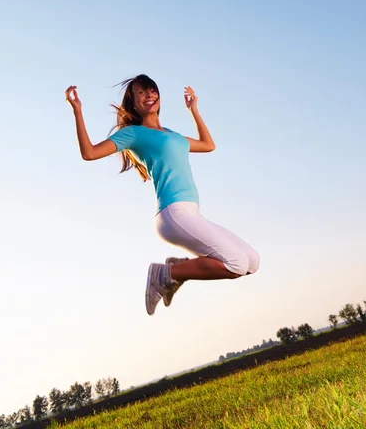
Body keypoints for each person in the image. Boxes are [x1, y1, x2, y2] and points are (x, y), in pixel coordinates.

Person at [65, 74, 260, 315]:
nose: (149, 95)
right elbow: (90, 153)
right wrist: (77, 111)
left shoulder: (173, 135)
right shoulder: (133, 134)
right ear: (134, 104)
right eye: (141, 93)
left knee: (251, 262)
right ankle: (166, 273)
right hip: (173, 213)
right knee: (236, 264)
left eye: (152, 90)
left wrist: (193, 110)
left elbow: (208, 145)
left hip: (192, 213)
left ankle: (177, 269)